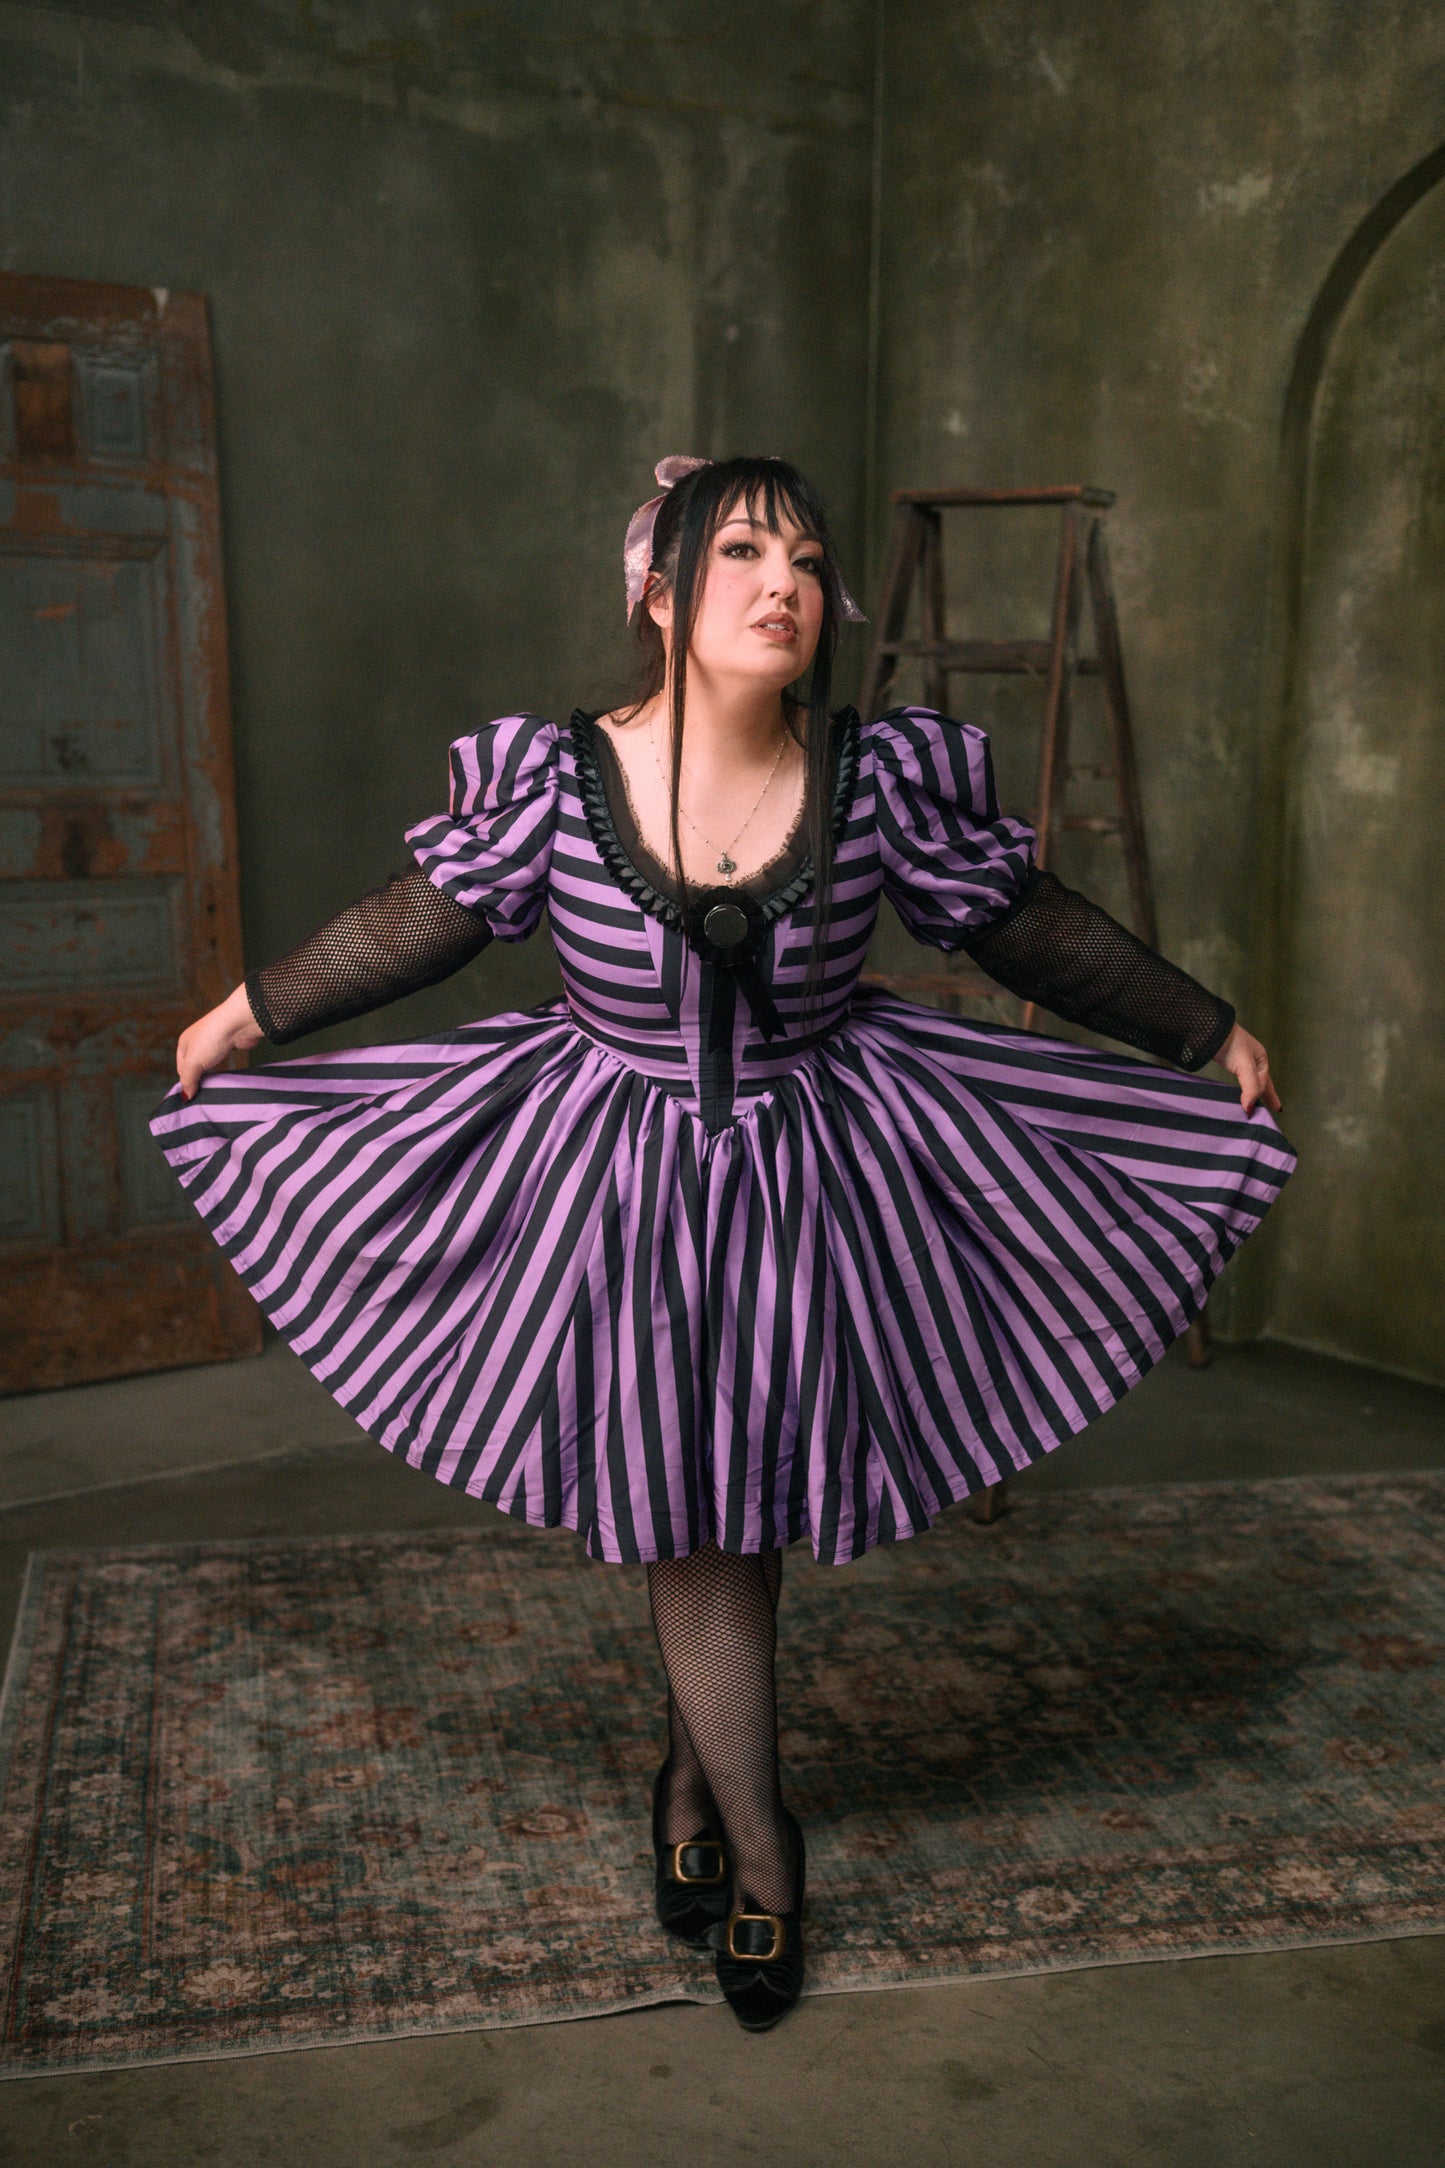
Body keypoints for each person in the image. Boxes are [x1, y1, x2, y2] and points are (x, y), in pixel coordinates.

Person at [152, 454, 1295, 2034]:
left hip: (817, 1175)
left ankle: (688, 1784)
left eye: (809, 562)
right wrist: (248, 1012)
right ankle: (765, 1856)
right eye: (745, 552)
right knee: (693, 1513)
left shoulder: (874, 776)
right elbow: (422, 921)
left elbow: (1023, 924)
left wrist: (1199, 1027)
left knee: (735, 1495)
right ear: (657, 592)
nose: (785, 586)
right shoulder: (556, 778)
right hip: (612, 1184)